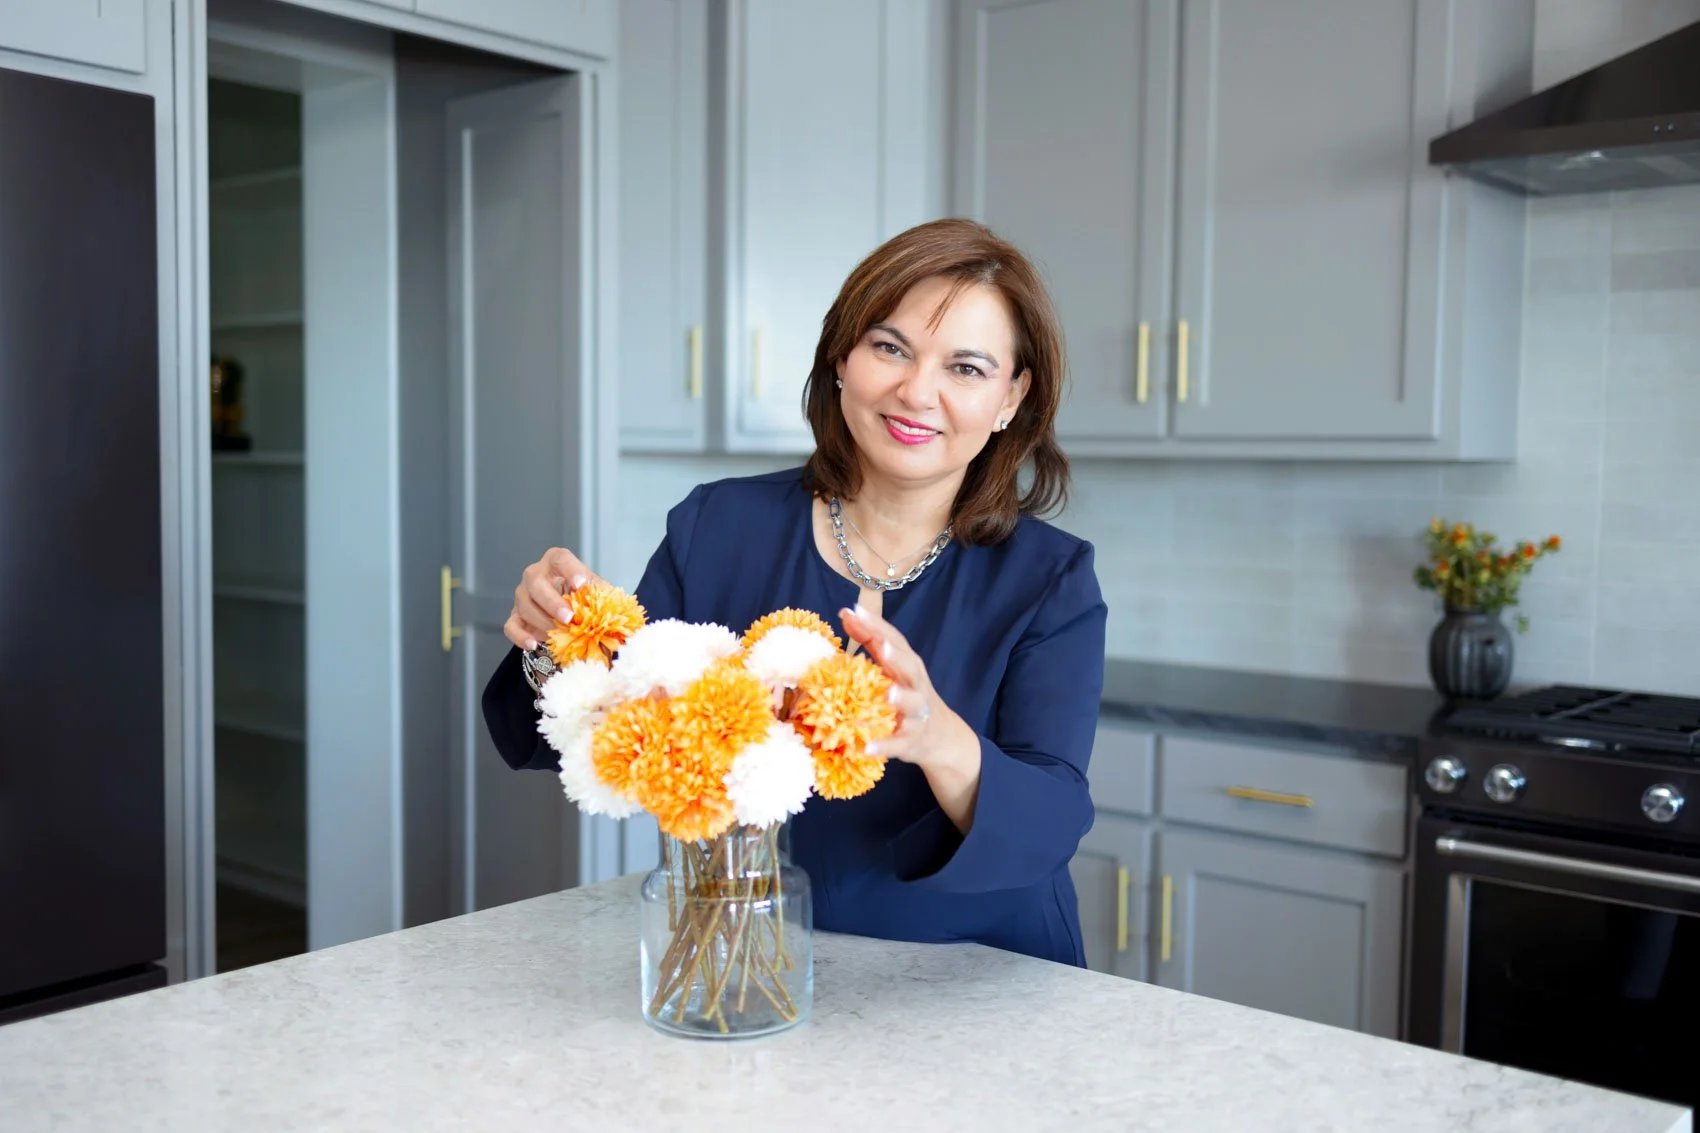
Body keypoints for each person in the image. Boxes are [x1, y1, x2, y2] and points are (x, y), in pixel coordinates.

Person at [481, 217, 1107, 967]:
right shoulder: (717, 524)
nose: (917, 391)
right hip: (745, 959)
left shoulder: (1050, 578)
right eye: (890, 347)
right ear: (843, 357)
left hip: (980, 972)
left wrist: (937, 735)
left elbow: (1053, 820)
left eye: (966, 368)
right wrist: (553, 640)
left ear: (1012, 397)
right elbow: (602, 723)